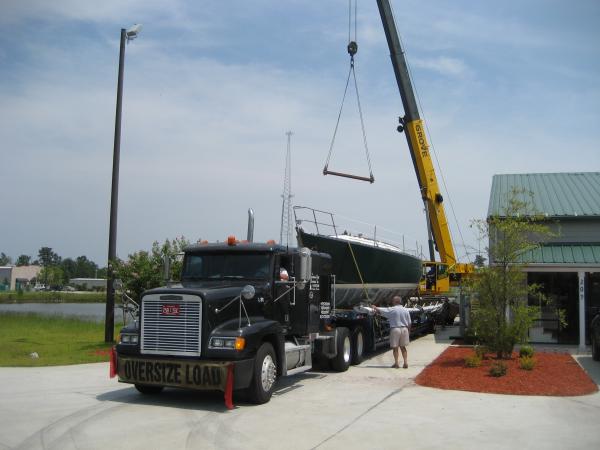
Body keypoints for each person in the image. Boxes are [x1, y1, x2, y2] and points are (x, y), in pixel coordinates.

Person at [372, 296, 411, 368]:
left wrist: (375, 307)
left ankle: (396, 363)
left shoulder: (392, 309)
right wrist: (409, 331)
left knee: (395, 348)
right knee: (403, 347)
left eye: (393, 301)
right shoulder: (406, 310)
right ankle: (405, 363)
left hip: (395, 329)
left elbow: (382, 311)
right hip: (404, 329)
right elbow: (409, 323)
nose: (392, 302)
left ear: (395, 302)